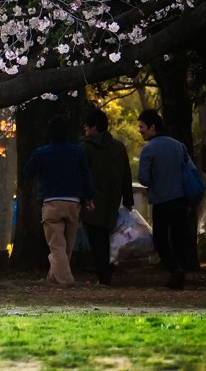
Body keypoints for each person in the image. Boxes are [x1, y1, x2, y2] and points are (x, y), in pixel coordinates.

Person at [22, 117, 95, 285]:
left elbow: (27, 171)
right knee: (67, 246)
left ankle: (66, 280)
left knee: (56, 246)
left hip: (52, 202)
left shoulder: (42, 152)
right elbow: (86, 176)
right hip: (73, 202)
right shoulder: (77, 151)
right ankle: (53, 278)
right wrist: (89, 197)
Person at [138, 109, 193, 290]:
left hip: (161, 200)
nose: (140, 130)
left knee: (160, 240)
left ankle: (175, 270)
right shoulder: (179, 145)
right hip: (181, 199)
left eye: (142, 127)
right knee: (178, 238)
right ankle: (180, 273)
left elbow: (144, 179)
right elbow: (188, 171)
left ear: (152, 127)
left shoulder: (148, 149)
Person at [81, 107, 134, 286]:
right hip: (113, 200)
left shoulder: (86, 147)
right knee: (108, 238)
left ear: (94, 127)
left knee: (97, 240)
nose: (85, 129)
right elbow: (126, 175)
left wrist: (83, 197)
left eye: (87, 126)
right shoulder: (118, 147)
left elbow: (82, 174)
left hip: (92, 201)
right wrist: (128, 200)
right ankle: (106, 272)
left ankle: (104, 277)